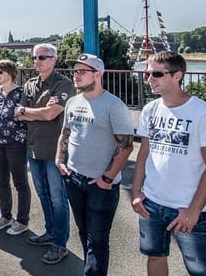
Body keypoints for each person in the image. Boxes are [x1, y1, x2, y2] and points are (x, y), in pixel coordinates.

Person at [131, 51, 206, 276]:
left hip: (188, 208)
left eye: (156, 74)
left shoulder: (204, 114)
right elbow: (144, 153)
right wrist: (136, 191)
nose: (149, 79)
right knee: (155, 255)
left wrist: (194, 210)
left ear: (177, 76)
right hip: (151, 203)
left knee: (199, 270)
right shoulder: (150, 110)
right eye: (146, 75)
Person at [56, 54, 135, 275]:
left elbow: (126, 146)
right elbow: (66, 132)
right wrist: (59, 160)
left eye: (83, 71)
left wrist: (107, 178)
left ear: (98, 74)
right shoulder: (73, 102)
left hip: (100, 185)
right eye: (75, 71)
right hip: (73, 178)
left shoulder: (114, 105)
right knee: (83, 233)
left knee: (97, 241)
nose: (77, 75)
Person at [16, 43, 74, 264]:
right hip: (33, 147)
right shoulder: (30, 84)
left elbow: (51, 115)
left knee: (58, 198)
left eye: (42, 57)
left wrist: (29, 111)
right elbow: (17, 113)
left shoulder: (64, 84)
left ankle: (60, 244)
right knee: (43, 194)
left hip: (53, 150)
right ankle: (50, 232)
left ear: (54, 59)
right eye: (34, 58)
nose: (36, 62)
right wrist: (34, 112)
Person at [0, 60, 31, 235]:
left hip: (16, 143)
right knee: (2, 181)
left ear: (10, 73)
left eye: (0, 72)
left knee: (20, 182)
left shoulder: (21, 93)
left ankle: (22, 220)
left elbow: (26, 116)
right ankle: (6, 216)